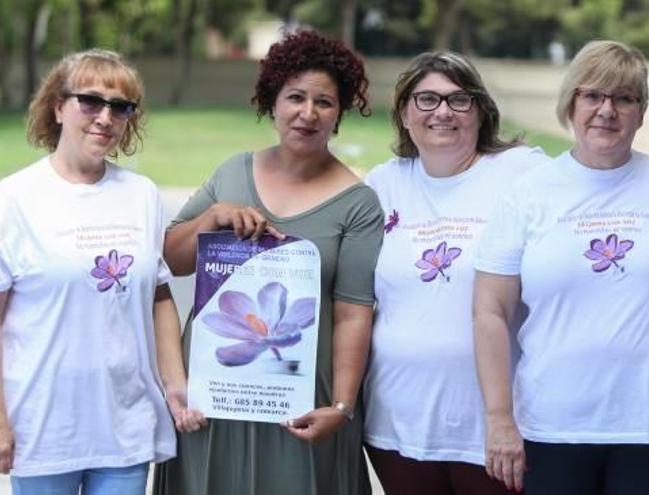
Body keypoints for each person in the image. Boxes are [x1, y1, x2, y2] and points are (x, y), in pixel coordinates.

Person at [152, 29, 383, 495]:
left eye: (324, 102)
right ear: (271, 103)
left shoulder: (358, 203)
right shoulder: (232, 172)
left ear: (339, 114)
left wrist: (340, 406)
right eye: (295, 97)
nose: (308, 113)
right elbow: (169, 261)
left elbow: (354, 312)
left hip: (299, 394)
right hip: (216, 386)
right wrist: (211, 220)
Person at [472, 40, 649, 494]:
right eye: (592, 95)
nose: (607, 110)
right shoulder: (529, 192)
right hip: (553, 426)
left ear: (641, 110)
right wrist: (499, 420)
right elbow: (489, 312)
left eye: (624, 98)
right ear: (570, 103)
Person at [0, 49, 204, 494]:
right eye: (90, 101)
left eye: (120, 107)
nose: (105, 117)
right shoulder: (13, 199)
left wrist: (175, 385)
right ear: (57, 106)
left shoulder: (141, 195)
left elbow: (158, 296)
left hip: (125, 424)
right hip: (44, 427)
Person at [362, 51, 544, 495]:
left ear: (481, 112)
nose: (442, 111)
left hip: (495, 428)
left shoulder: (522, 173)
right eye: (426, 100)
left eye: (459, 100)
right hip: (397, 424)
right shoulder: (382, 184)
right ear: (404, 113)